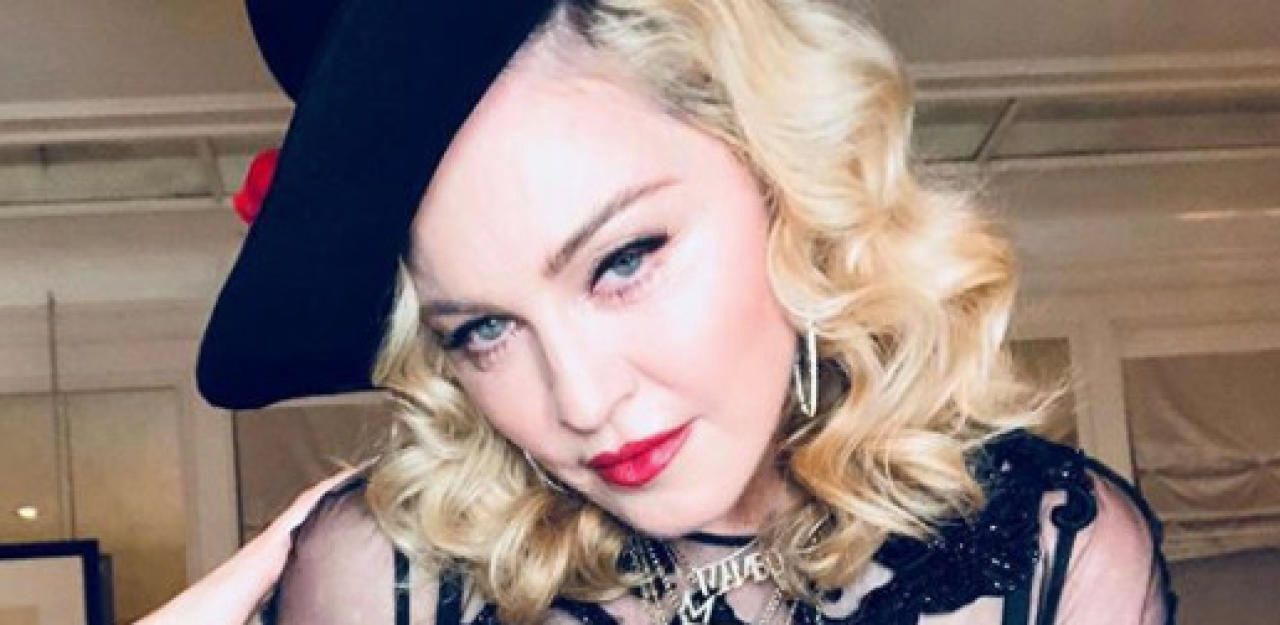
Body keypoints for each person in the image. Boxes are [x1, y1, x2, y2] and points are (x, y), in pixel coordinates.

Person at [180, 1, 1179, 624]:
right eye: (483, 329)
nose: (579, 401)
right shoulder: (378, 579)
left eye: (622, 260)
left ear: (784, 183)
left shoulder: (1052, 554)